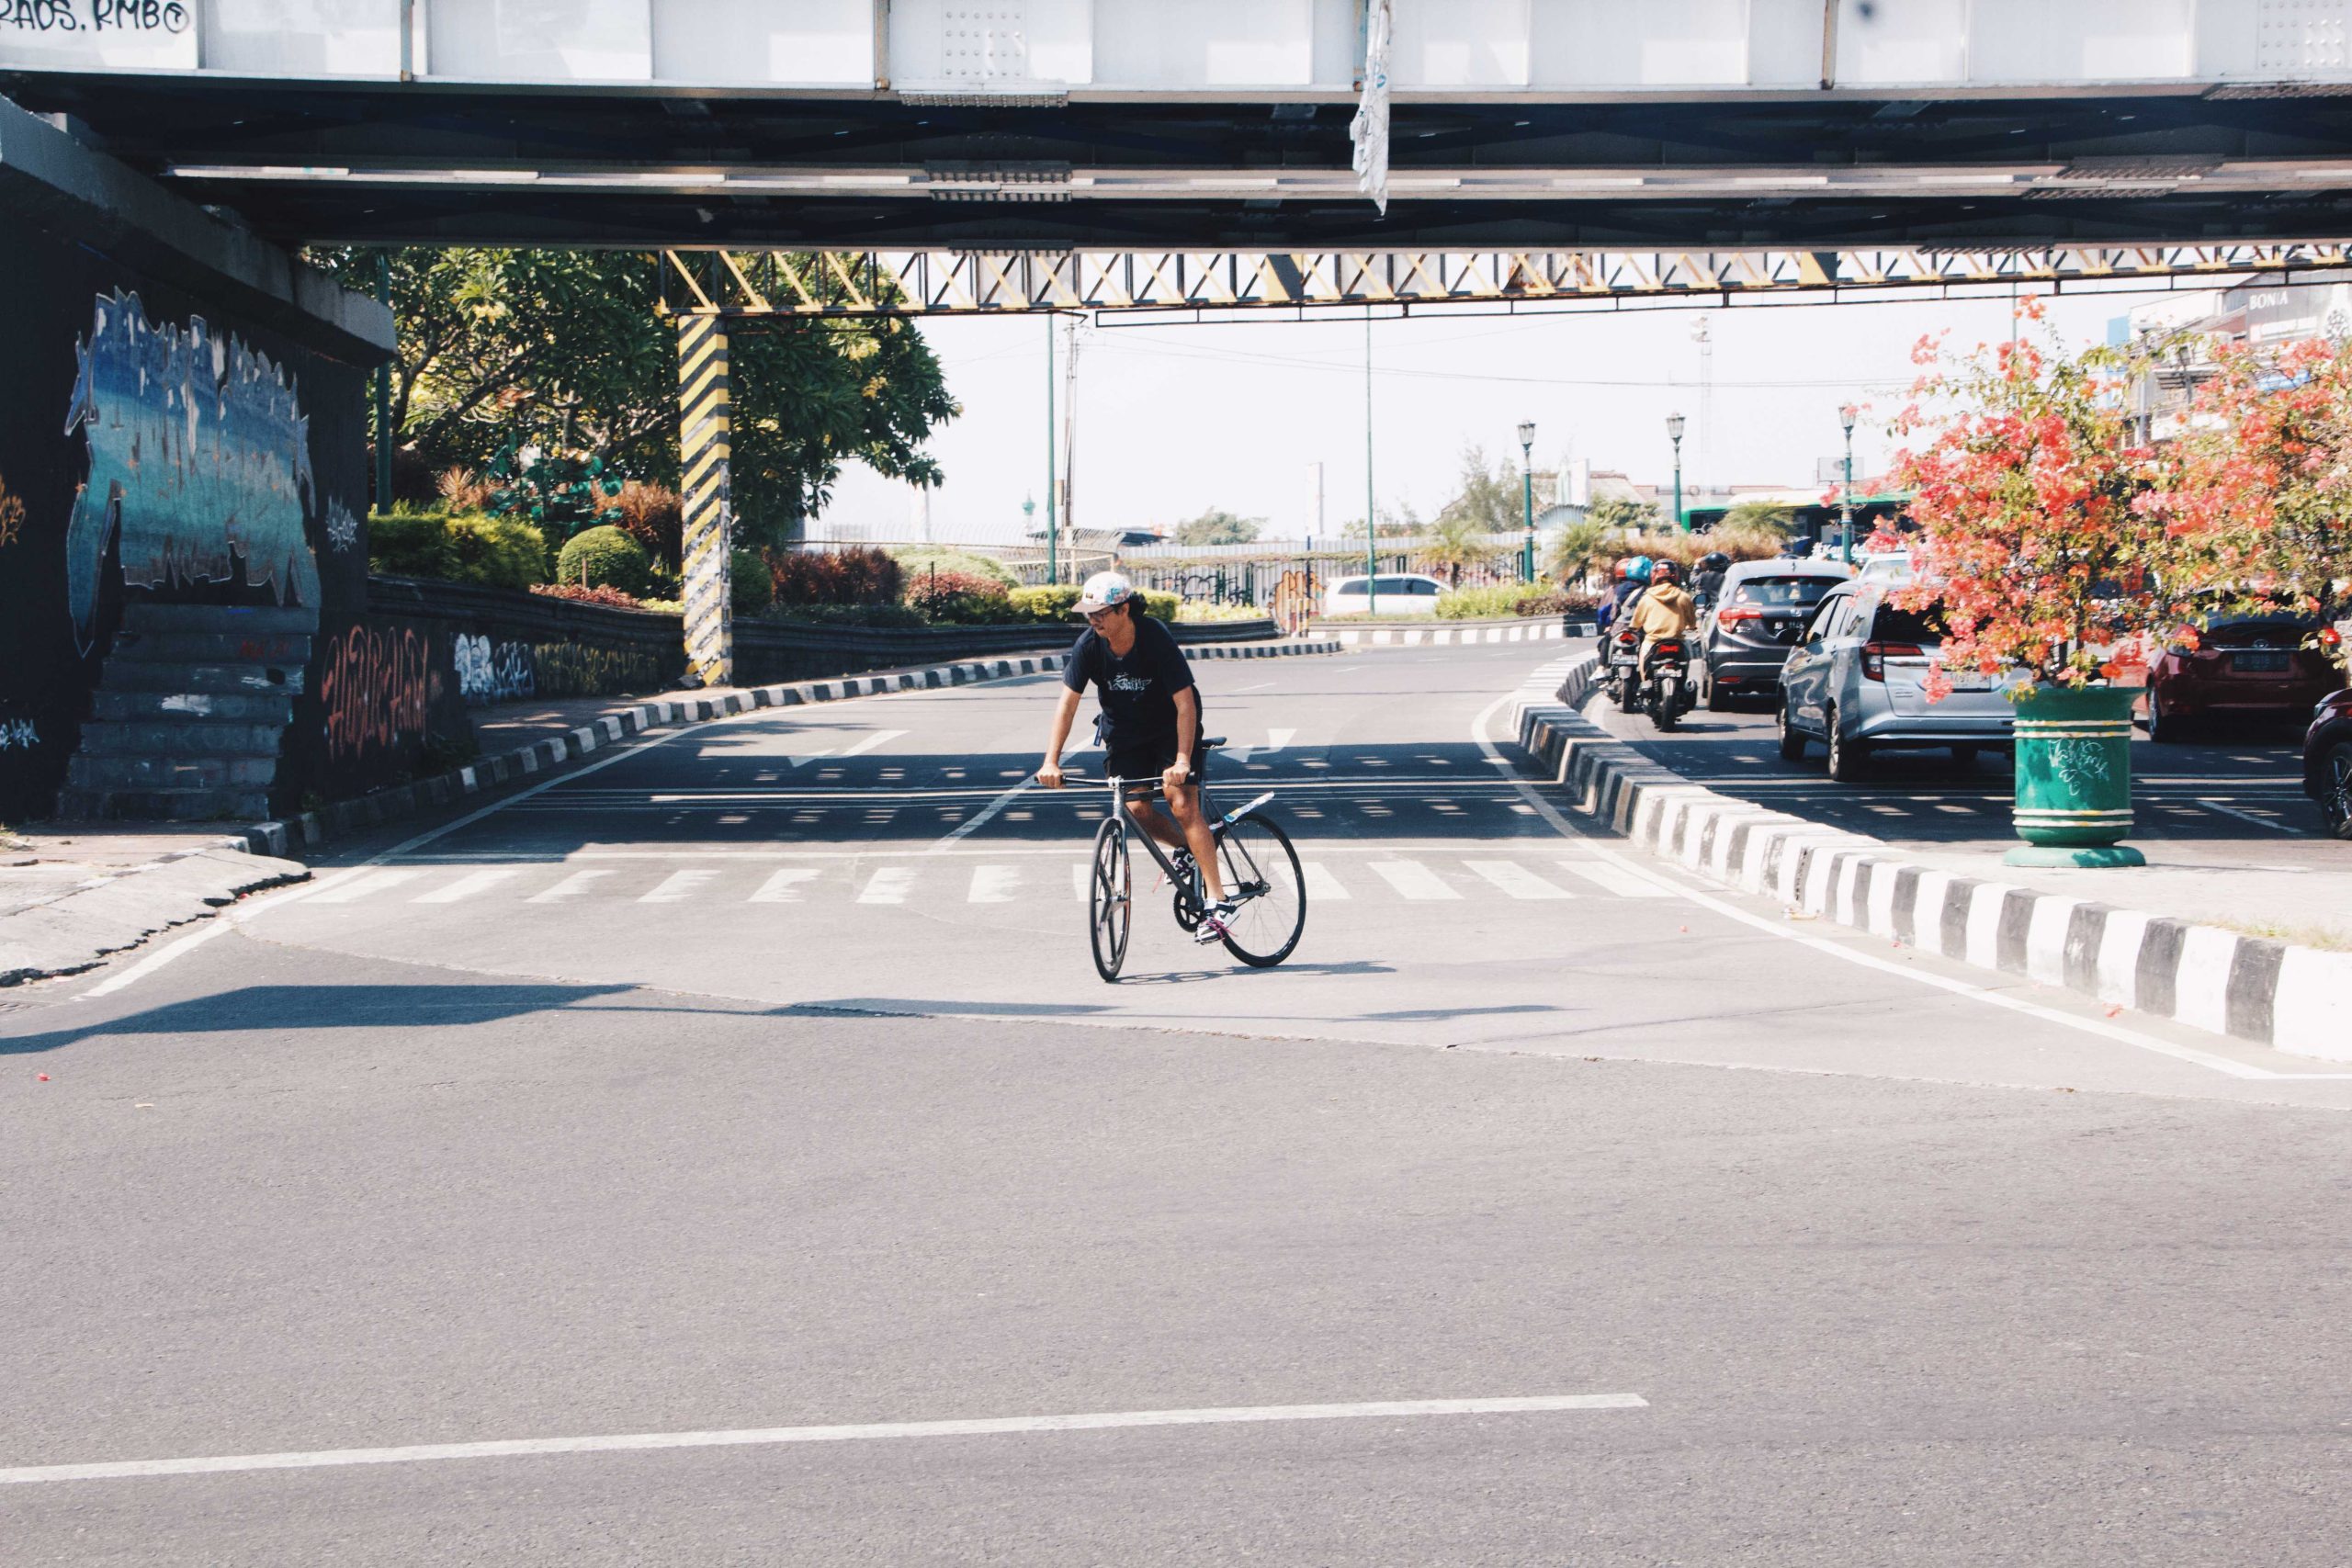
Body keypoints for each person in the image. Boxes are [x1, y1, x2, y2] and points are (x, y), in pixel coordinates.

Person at [1037, 570, 1235, 942]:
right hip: (1125, 733)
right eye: (1088, 613)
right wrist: (1052, 761)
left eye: (1100, 612)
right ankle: (1187, 849)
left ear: (1124, 609)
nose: (1093, 619)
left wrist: (1182, 760)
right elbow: (1067, 704)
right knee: (1136, 809)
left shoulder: (1153, 637)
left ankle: (1219, 901)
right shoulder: (1089, 646)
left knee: (1180, 802)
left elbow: (1185, 702)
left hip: (1170, 727)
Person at [1628, 558, 1700, 676]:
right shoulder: (1684, 597)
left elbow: (1636, 622)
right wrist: (1692, 626)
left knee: (1643, 660)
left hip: (1652, 641)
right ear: (1675, 576)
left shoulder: (1647, 598)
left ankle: (1645, 681)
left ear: (1654, 576)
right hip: (1677, 641)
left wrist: (1634, 627)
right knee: (1686, 661)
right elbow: (1692, 622)